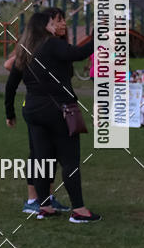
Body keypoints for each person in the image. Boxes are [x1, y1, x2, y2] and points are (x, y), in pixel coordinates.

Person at [7, 11, 99, 222]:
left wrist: (9, 113)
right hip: (58, 110)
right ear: (44, 26)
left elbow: (11, 84)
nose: (56, 25)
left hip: (33, 110)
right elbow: (79, 53)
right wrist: (99, 38)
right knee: (69, 160)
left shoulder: (25, 49)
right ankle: (79, 210)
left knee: (42, 159)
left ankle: (45, 206)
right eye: (53, 22)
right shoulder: (51, 44)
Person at [4, 7, 70, 215]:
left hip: (51, 107)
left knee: (49, 154)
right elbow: (10, 68)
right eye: (57, 20)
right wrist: (9, 112)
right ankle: (33, 199)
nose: (62, 23)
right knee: (38, 153)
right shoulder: (32, 47)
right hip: (36, 106)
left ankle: (47, 197)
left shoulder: (57, 45)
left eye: (63, 20)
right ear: (45, 25)